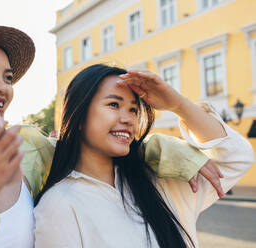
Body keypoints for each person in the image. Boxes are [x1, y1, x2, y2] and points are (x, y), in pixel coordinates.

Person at [0, 16, 223, 247]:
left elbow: (89, 144)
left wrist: (173, 152)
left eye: (8, 77)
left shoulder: (28, 149)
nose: (2, 86)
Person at [34, 64, 254, 248]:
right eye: (113, 104)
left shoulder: (162, 182)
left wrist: (178, 104)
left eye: (133, 110)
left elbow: (237, 157)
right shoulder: (60, 205)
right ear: (79, 116)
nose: (129, 119)